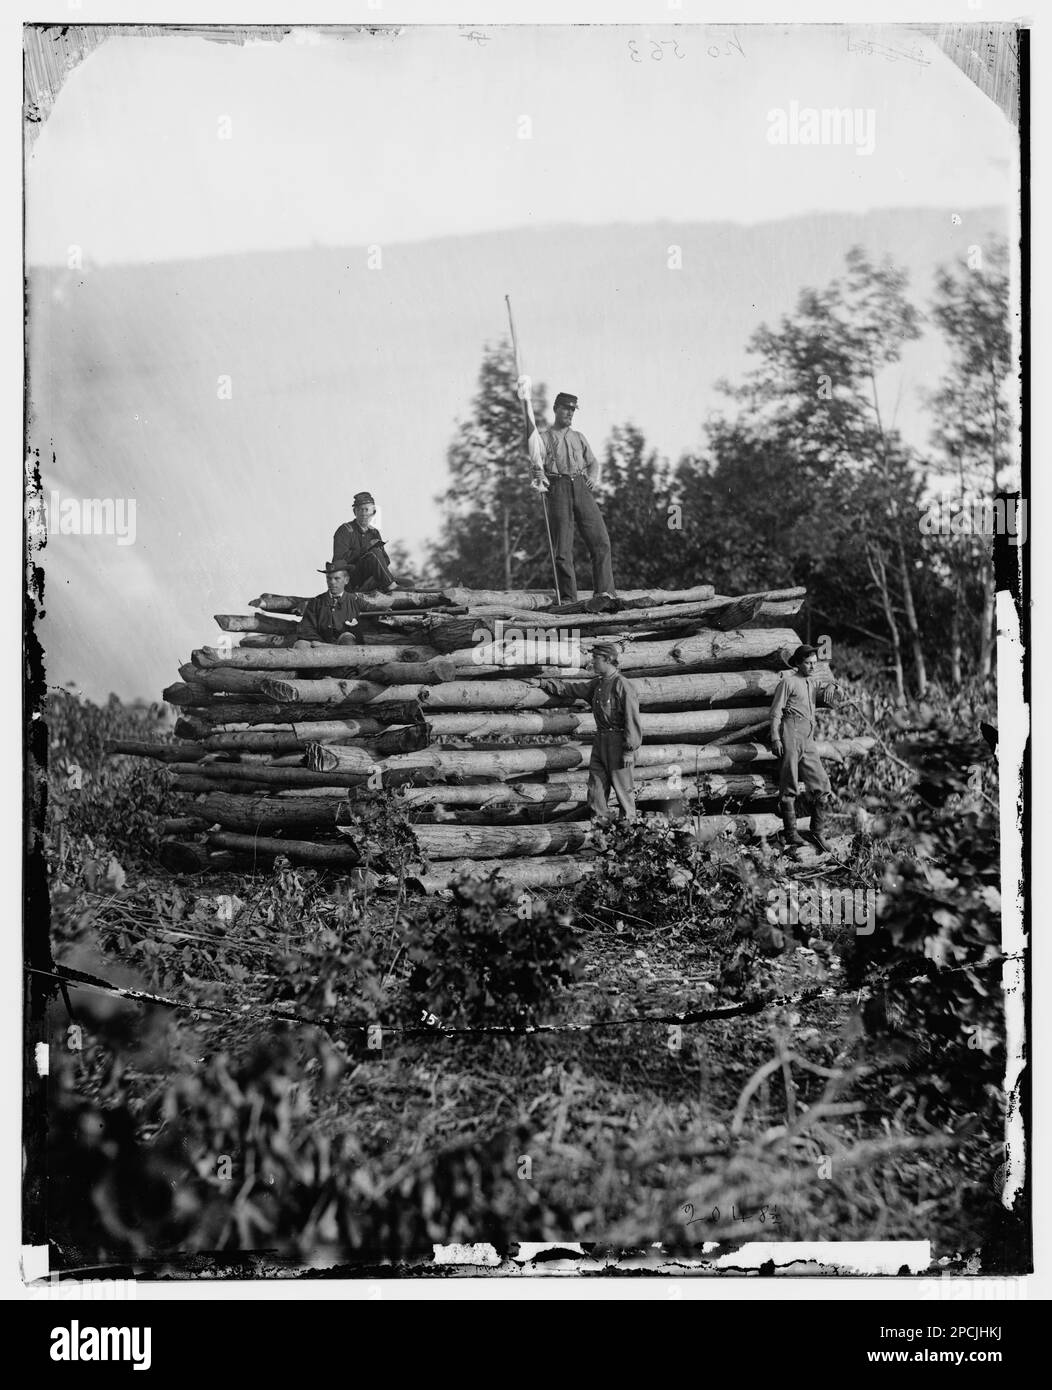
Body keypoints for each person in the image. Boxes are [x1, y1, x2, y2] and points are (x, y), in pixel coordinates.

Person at [516, 378, 617, 608]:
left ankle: (605, 594)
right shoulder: (542, 438)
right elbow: (535, 466)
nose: (570, 413)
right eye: (566, 408)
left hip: (581, 486)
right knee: (562, 550)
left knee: (601, 541)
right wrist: (538, 476)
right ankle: (570, 599)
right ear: (556, 409)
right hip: (558, 488)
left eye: (573, 410)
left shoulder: (578, 437)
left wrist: (592, 478)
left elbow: (593, 462)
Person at [540, 643, 641, 821]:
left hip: (619, 742)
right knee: (596, 790)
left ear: (608, 660)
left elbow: (632, 719)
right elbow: (571, 689)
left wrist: (629, 750)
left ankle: (630, 833)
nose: (592, 662)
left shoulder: (622, 685)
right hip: (601, 740)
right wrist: (543, 683)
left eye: (596, 658)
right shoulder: (598, 684)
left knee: (624, 791)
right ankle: (600, 833)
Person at [769, 644, 842, 853]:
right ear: (798, 663)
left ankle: (817, 833)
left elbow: (834, 686)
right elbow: (775, 712)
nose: (812, 666)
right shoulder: (788, 682)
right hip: (790, 732)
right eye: (808, 663)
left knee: (822, 785)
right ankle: (791, 833)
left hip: (808, 737)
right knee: (789, 782)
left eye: (814, 663)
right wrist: (775, 737)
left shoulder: (812, 682)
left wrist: (833, 686)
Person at [332, 492, 398, 592]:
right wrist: (365, 550)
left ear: (373, 512)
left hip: (372, 578)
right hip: (352, 581)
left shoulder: (374, 532)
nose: (364, 513)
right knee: (374, 553)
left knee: (408, 583)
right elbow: (339, 561)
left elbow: (386, 560)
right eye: (360, 510)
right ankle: (391, 587)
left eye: (367, 510)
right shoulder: (344, 530)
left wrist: (376, 571)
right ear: (355, 512)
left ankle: (387, 585)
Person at [294, 560, 360, 647]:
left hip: (345, 648)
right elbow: (306, 628)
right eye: (329, 578)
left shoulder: (354, 600)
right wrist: (319, 642)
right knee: (300, 645)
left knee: (348, 639)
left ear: (346, 580)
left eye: (337, 578)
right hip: (319, 645)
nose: (332, 582)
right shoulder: (316, 602)